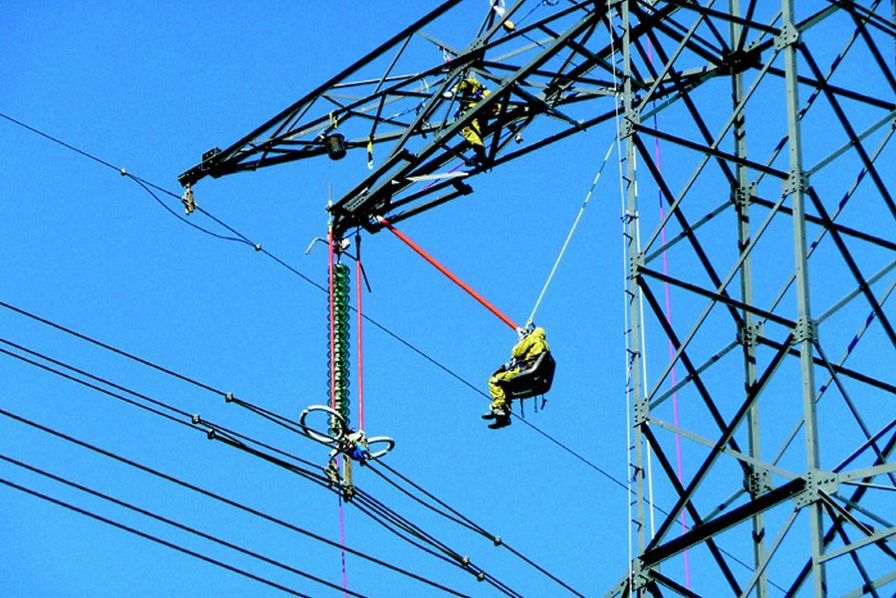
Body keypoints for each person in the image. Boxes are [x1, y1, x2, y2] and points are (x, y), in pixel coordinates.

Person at [483, 325, 549, 429]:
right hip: (534, 377)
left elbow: (517, 352)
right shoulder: (545, 346)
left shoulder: (533, 338)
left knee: (494, 380)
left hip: (524, 371)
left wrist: (523, 340)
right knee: (505, 388)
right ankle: (503, 418)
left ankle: (499, 407)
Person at [453, 77, 491, 164]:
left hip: (473, 111)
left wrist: (454, 90)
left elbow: (464, 83)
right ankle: (480, 154)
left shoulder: (471, 83)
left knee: (467, 129)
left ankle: (480, 153)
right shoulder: (484, 91)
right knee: (476, 133)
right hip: (483, 116)